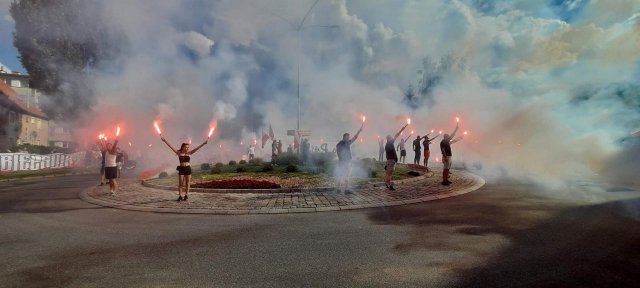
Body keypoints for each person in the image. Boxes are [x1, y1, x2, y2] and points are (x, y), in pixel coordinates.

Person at [161, 136, 208, 201]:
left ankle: (186, 195)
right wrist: (165, 141)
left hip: (188, 168)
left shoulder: (189, 153)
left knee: (188, 183)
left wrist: (204, 143)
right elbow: (171, 147)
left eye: (188, 147)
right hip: (181, 169)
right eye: (186, 147)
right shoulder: (179, 153)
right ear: (183, 147)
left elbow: (197, 148)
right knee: (181, 184)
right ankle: (180, 196)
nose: (187, 148)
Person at [336, 124, 363, 193]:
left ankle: (338, 189)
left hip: (342, 162)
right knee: (346, 175)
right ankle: (346, 189)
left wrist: (359, 131)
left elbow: (354, 138)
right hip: (344, 162)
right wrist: (342, 160)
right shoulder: (343, 143)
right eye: (348, 137)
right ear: (345, 137)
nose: (349, 138)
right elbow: (354, 138)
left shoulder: (342, 143)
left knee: (340, 174)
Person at [385, 124, 409, 190]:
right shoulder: (389, 144)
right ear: (388, 139)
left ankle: (387, 184)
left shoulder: (388, 144)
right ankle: (389, 185)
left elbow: (396, 135)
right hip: (391, 160)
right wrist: (402, 129)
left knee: (388, 173)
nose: (392, 138)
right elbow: (396, 135)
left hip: (389, 160)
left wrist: (402, 129)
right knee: (390, 173)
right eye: (390, 138)